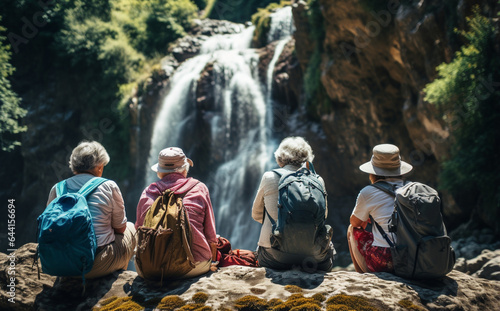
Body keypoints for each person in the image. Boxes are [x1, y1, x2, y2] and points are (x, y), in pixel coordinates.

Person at [46, 141, 136, 279]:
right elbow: (120, 229)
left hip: (62, 264)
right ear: (99, 167)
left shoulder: (57, 188)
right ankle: (116, 279)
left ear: (74, 166)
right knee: (130, 227)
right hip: (94, 266)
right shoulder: (109, 186)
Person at [252, 136, 335, 271]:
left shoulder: (270, 177)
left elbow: (256, 214)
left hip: (274, 257)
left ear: (280, 158)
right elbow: (323, 215)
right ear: (307, 158)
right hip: (313, 257)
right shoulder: (318, 180)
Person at [135, 147, 218, 277]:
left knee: (128, 227)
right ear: (185, 169)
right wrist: (212, 261)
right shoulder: (199, 188)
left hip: (151, 268)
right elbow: (211, 237)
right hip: (192, 267)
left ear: (159, 172)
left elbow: (139, 230)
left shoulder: (148, 192)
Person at [347, 143, 413, 273]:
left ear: (373, 172)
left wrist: (364, 219)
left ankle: (363, 278)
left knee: (352, 229)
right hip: (413, 255)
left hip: (386, 259)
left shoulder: (368, 192)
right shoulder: (411, 188)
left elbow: (354, 222)